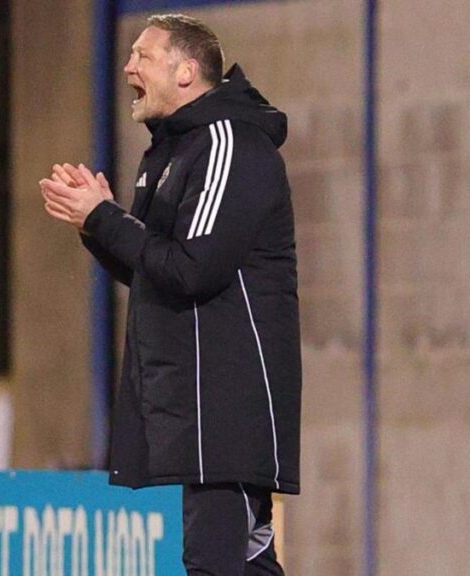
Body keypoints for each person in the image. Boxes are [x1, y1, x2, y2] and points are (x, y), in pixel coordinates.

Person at [39, 13, 300, 575]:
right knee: (248, 566)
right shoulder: (172, 150)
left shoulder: (228, 143)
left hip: (225, 406)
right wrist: (96, 224)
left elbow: (193, 269)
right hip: (198, 407)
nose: (128, 67)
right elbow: (152, 269)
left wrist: (106, 218)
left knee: (214, 564)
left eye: (143, 56)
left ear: (186, 72)